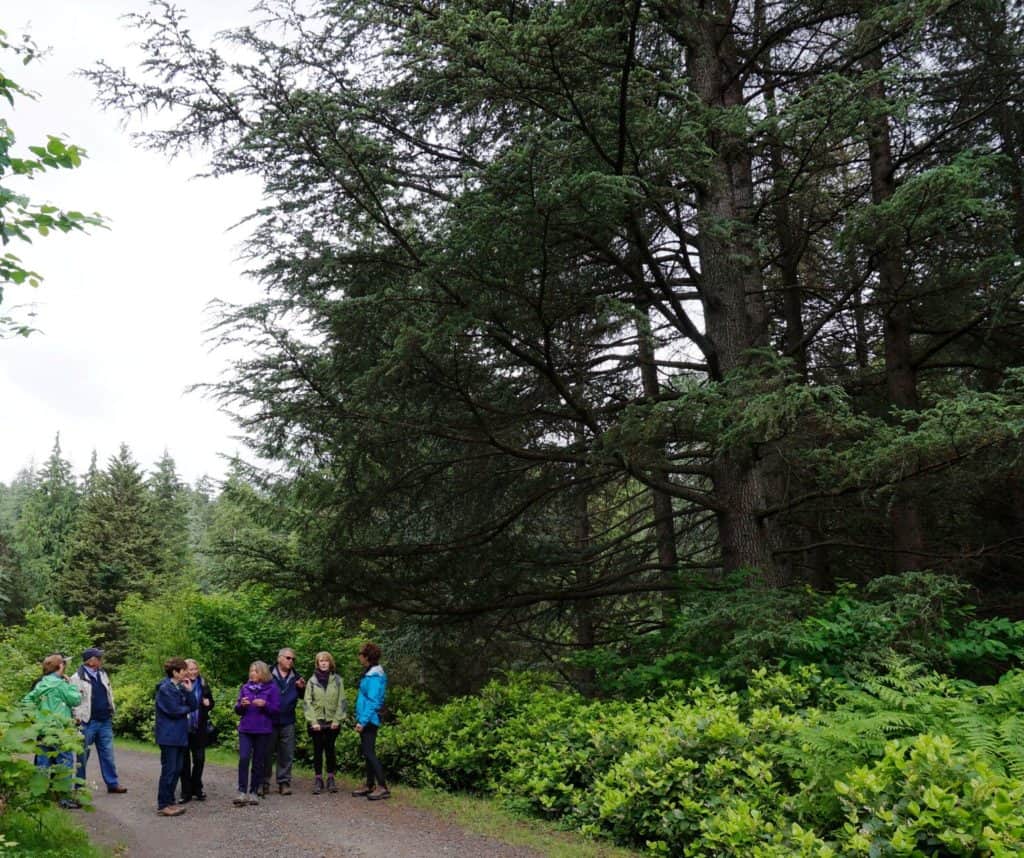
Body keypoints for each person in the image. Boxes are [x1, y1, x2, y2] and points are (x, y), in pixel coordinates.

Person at [22, 654, 82, 808]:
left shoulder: (41, 684)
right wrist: (71, 685)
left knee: (42, 763)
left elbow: (26, 701)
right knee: (64, 763)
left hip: (43, 729)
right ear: (60, 666)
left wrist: (37, 718)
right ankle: (64, 798)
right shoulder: (61, 685)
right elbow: (75, 699)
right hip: (60, 730)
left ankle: (38, 796)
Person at [68, 647, 127, 794]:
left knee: (108, 753)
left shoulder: (103, 674)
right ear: (91, 661)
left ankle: (112, 784)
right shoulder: (77, 678)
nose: (101, 660)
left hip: (104, 720)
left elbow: (109, 693)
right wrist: (77, 718)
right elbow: (73, 701)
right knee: (83, 755)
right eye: (99, 658)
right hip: (87, 722)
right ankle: (79, 787)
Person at [233, 660, 280, 806]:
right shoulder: (245, 688)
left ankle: (254, 791)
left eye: (256, 671)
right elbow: (238, 709)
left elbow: (276, 710)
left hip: (263, 730)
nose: (252, 673)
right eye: (251, 671)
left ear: (263, 673)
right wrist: (242, 705)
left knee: (258, 761)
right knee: (244, 758)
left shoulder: (272, 689)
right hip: (246, 729)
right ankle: (242, 792)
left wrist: (265, 704)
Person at [154, 657, 197, 817]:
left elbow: (193, 706)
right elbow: (173, 710)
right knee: (169, 769)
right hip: (168, 735)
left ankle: (170, 801)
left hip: (179, 735)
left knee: (177, 768)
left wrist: (189, 691)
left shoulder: (180, 687)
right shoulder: (165, 688)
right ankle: (163, 804)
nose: (186, 673)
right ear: (175, 672)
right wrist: (185, 707)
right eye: (183, 670)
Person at [262, 647, 305, 796]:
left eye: (293, 659)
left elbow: (304, 697)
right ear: (279, 658)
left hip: (288, 719)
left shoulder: (297, 677)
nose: (291, 661)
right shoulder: (267, 674)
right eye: (288, 658)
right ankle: (264, 782)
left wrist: (301, 689)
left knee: (286, 753)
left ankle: (284, 782)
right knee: (266, 752)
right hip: (269, 719)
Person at [302, 650, 345, 794]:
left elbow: (342, 702)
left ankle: (331, 778)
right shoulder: (312, 681)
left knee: (330, 750)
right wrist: (313, 721)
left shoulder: (338, 680)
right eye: (321, 661)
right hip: (317, 723)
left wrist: (337, 720)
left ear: (330, 663)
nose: (324, 663)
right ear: (317, 663)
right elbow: (307, 702)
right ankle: (318, 779)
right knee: (318, 751)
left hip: (332, 722)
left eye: (326, 660)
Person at [351, 642, 389, 800]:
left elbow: (373, 701)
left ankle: (382, 787)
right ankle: (369, 784)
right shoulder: (370, 673)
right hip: (367, 718)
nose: (359, 657)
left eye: (361, 654)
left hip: (370, 719)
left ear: (366, 657)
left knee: (369, 753)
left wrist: (363, 721)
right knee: (368, 753)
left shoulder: (374, 676)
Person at [179, 658, 214, 803]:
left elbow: (211, 703)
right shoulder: (180, 684)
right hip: (183, 728)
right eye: (190, 669)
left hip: (199, 727)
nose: (193, 672)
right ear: (185, 671)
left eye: (195, 669)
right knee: (184, 762)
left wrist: (208, 703)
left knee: (199, 759)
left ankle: (197, 787)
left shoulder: (203, 683)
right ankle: (186, 792)